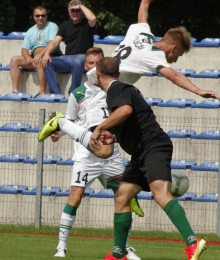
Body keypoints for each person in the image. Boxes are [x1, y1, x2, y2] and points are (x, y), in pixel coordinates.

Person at [89, 57, 207, 260]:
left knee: (160, 194)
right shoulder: (120, 89)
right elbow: (133, 119)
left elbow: (126, 110)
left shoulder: (116, 89)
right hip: (141, 151)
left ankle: (193, 242)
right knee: (122, 195)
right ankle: (119, 255)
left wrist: (101, 127)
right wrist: (115, 135)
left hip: (153, 146)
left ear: (98, 74)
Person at [48, 48, 142, 260]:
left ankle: (124, 247)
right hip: (86, 156)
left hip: (112, 155)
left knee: (123, 196)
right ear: (86, 66)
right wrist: (60, 133)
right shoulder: (77, 94)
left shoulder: (114, 90)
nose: (94, 67)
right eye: (90, 63)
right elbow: (71, 121)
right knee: (76, 197)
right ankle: (61, 246)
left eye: (97, 63)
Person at [86, 0, 220, 101]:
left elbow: (144, 7)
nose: (175, 60)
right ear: (173, 48)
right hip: (103, 94)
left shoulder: (142, 34)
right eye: (177, 55)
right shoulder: (153, 55)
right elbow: (174, 76)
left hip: (91, 82)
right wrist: (198, 91)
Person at [41, 0, 96, 95]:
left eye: (77, 10)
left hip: (83, 57)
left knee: (77, 60)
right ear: (69, 12)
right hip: (67, 59)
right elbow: (55, 42)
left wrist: (81, 6)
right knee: (47, 62)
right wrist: (47, 53)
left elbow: (93, 18)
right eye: (72, 10)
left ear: (82, 11)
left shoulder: (87, 23)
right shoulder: (65, 25)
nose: (75, 13)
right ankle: (55, 94)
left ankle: (74, 93)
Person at [10, 6, 60, 97]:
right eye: (37, 16)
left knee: (41, 61)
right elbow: (24, 49)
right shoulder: (30, 31)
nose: (40, 18)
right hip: (34, 58)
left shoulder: (52, 26)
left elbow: (51, 44)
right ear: (34, 17)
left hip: (50, 56)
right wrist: (27, 57)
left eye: (42, 15)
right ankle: (15, 91)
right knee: (14, 60)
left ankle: (42, 92)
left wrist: (40, 55)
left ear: (46, 16)